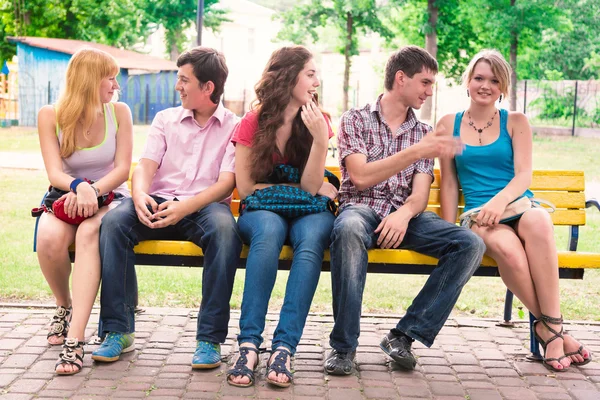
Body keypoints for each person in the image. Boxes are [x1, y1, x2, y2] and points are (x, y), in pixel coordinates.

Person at [324, 46, 486, 375]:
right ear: (401, 78)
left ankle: (404, 336)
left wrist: (404, 214)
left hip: (404, 216)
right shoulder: (355, 119)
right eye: (425, 83)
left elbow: (420, 195)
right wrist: (415, 152)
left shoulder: (423, 132)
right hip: (361, 208)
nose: (429, 91)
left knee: (470, 244)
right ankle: (343, 348)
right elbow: (360, 176)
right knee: (348, 229)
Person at [438, 49, 591, 372]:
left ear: (503, 87)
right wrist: (447, 230)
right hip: (480, 216)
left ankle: (548, 329)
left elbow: (523, 175)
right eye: (479, 78)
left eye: (494, 80)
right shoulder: (447, 123)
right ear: (468, 81)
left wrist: (499, 202)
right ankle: (555, 331)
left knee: (539, 220)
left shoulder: (516, 122)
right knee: (509, 250)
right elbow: (450, 184)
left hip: (517, 204)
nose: (485, 85)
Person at [92, 47, 243, 371]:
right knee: (114, 223)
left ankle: (209, 339)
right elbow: (145, 166)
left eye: (184, 80)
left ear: (208, 88)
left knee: (225, 233)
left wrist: (184, 207)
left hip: (203, 206)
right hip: (157, 200)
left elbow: (226, 183)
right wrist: (140, 194)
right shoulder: (166, 120)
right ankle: (118, 330)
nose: (178, 86)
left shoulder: (234, 125)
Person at [226, 45, 336, 388]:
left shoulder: (319, 122)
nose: (317, 80)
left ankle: (284, 347)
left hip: (308, 214)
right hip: (262, 213)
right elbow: (246, 188)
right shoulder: (252, 122)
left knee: (312, 242)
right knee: (268, 235)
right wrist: (301, 188)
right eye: (310, 73)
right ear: (288, 77)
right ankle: (248, 345)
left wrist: (319, 142)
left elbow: (311, 183)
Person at [35, 48, 133, 375]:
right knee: (48, 238)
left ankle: (75, 340)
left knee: (90, 232)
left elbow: (122, 169)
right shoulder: (50, 115)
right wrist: (80, 187)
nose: (116, 85)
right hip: (69, 195)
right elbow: (54, 172)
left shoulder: (119, 112)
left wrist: (95, 189)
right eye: (110, 77)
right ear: (90, 80)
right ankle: (64, 305)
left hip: (111, 195)